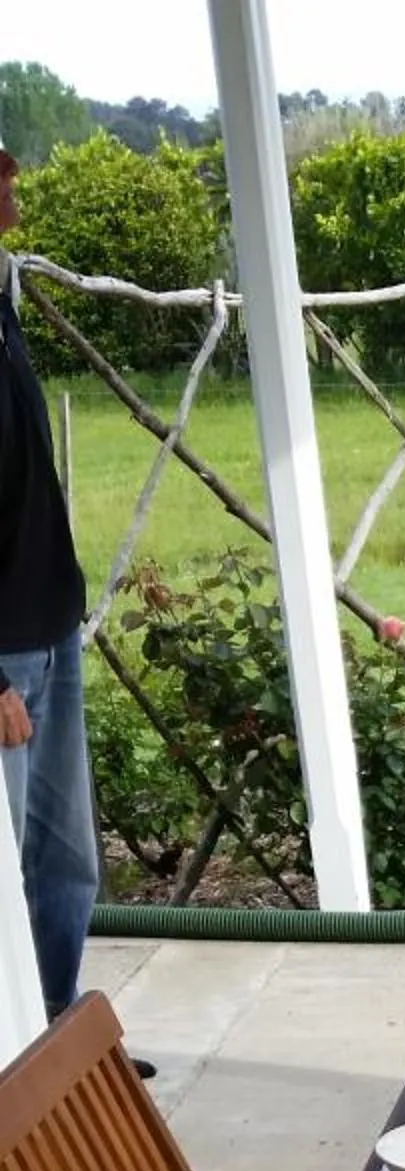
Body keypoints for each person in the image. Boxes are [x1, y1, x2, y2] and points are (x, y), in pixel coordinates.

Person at [0, 143, 133, 1052]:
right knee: (4, 865)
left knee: (67, 859)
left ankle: (60, 1043)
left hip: (48, 623)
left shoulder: (1, 307)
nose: (13, 183)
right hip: (2, 653)